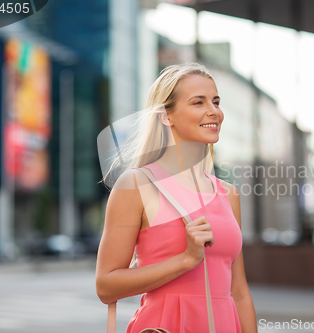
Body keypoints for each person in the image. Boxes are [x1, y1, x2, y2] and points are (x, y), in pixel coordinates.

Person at [95, 62, 258, 332]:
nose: (213, 111)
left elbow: (238, 291)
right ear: (165, 116)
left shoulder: (228, 194)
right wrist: (186, 259)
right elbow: (105, 286)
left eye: (216, 102)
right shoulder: (136, 185)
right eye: (198, 102)